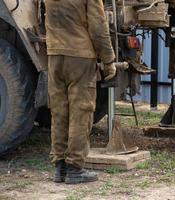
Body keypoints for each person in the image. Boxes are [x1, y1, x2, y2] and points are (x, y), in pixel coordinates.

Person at [45, 0, 116, 184]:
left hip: (54, 55)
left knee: (59, 111)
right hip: (80, 56)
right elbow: (98, 26)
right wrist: (108, 60)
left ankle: (59, 167)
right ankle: (75, 168)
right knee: (81, 112)